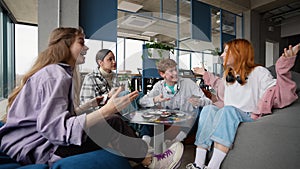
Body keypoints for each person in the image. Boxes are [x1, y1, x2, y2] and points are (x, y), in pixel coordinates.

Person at [0, 27, 184, 169]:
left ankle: (141, 155)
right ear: (65, 44)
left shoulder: (55, 72)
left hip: (33, 143)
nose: (86, 47)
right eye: (81, 42)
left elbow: (59, 118)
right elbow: (58, 131)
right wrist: (107, 109)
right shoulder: (56, 75)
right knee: (112, 121)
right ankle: (149, 160)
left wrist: (96, 103)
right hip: (38, 149)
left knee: (113, 121)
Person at [186, 39, 299, 169]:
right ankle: (198, 164)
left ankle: (213, 166)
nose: (222, 55)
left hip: (248, 115)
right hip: (228, 113)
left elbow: (279, 94)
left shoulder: (259, 72)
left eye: (227, 51)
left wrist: (284, 67)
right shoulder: (228, 75)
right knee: (208, 110)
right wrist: (204, 73)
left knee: (228, 110)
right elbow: (217, 84)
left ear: (239, 53)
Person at [139, 58, 212, 145]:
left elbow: (208, 102)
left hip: (186, 120)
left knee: (198, 111)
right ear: (162, 74)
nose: (175, 73)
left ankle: (176, 141)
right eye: (171, 71)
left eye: (176, 70)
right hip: (166, 119)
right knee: (150, 110)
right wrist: (155, 100)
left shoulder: (188, 83)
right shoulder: (159, 86)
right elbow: (142, 101)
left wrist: (199, 101)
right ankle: (144, 142)